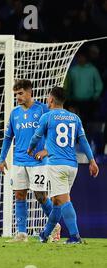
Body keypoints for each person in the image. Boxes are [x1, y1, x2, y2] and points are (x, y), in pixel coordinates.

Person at [28, 87, 99, 244]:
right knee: (56, 202)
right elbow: (84, 141)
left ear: (51, 100)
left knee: (64, 200)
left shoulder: (47, 117)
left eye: (48, 98)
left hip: (56, 165)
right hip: (72, 166)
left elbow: (36, 136)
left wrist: (30, 149)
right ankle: (45, 235)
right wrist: (92, 161)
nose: (47, 100)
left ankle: (75, 236)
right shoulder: (75, 118)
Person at [0, 79, 59, 242]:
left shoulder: (42, 110)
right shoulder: (14, 113)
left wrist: (47, 150)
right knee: (19, 195)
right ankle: (21, 234)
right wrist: (2, 158)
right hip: (19, 161)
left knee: (40, 195)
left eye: (20, 93)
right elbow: (7, 137)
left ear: (29, 92)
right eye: (16, 94)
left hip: (38, 162)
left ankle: (54, 226)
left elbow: (54, 134)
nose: (17, 97)